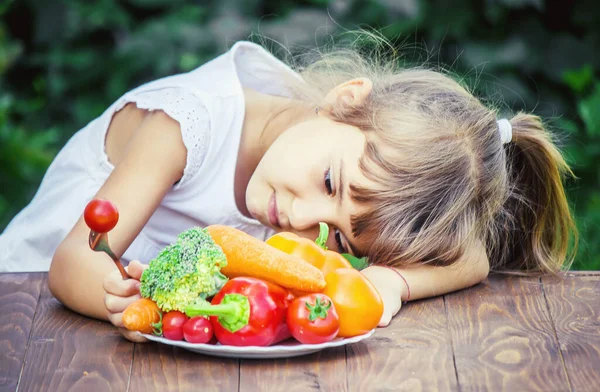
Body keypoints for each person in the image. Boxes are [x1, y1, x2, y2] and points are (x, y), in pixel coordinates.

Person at [0, 36, 577, 341]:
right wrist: (130, 299)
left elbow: (471, 258)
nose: (305, 219)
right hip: (25, 311)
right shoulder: (188, 125)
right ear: (346, 103)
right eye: (331, 183)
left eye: (345, 237)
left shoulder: (326, 165)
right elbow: (70, 262)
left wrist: (390, 282)